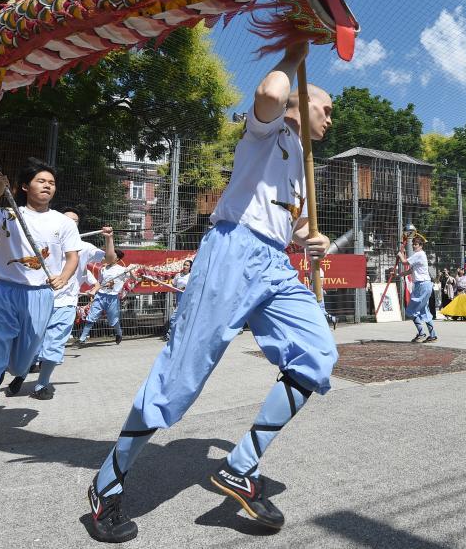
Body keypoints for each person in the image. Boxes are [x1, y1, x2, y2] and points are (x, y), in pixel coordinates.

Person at [83, 42, 336, 541]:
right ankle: (106, 483)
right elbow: (269, 93)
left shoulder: (306, 166)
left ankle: (240, 467)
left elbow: (299, 227)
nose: (331, 118)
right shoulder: (266, 133)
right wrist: (293, 53)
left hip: (275, 265)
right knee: (182, 375)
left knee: (318, 355)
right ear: (300, 102)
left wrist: (314, 238)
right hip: (233, 250)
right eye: (325, 108)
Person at [0, 158, 83, 459]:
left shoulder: (64, 223)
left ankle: (3, 371)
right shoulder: (8, 214)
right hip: (3, 294)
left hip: (40, 297)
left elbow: (72, 257)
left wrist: (63, 276)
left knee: (21, 364)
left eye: (51, 182)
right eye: (41, 181)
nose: (47, 186)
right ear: (25, 186)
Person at [31, 210, 115, 399]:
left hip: (66, 302)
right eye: (66, 220)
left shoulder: (84, 247)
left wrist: (109, 239)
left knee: (55, 343)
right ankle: (22, 372)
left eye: (74, 221)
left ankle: (41, 384)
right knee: (32, 342)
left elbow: (109, 259)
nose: (70, 223)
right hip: (39, 298)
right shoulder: (43, 242)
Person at [77, 249, 138, 346]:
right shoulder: (103, 269)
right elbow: (99, 283)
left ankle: (119, 333)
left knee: (113, 319)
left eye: (112, 255)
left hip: (112, 298)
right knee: (91, 316)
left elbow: (134, 279)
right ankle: (82, 338)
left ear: (117, 258)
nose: (108, 257)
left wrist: (130, 271)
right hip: (100, 296)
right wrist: (93, 291)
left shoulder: (122, 270)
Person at [397, 238, 437, 343]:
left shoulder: (419, 254)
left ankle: (421, 333)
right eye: (413, 244)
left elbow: (405, 262)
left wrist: (400, 254)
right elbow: (411, 270)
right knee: (424, 311)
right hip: (425, 285)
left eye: (416, 244)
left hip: (422, 285)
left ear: (421, 246)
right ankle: (433, 336)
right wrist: (398, 274)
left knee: (411, 311)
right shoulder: (419, 255)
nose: (414, 246)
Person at [161, 258, 193, 342]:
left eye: (187, 265)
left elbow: (193, 286)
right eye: (184, 264)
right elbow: (173, 284)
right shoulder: (178, 275)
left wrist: (186, 288)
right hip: (179, 297)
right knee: (175, 317)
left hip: (188, 297)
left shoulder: (191, 276)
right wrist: (176, 289)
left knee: (185, 317)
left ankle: (173, 334)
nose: (185, 266)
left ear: (190, 267)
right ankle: (171, 335)